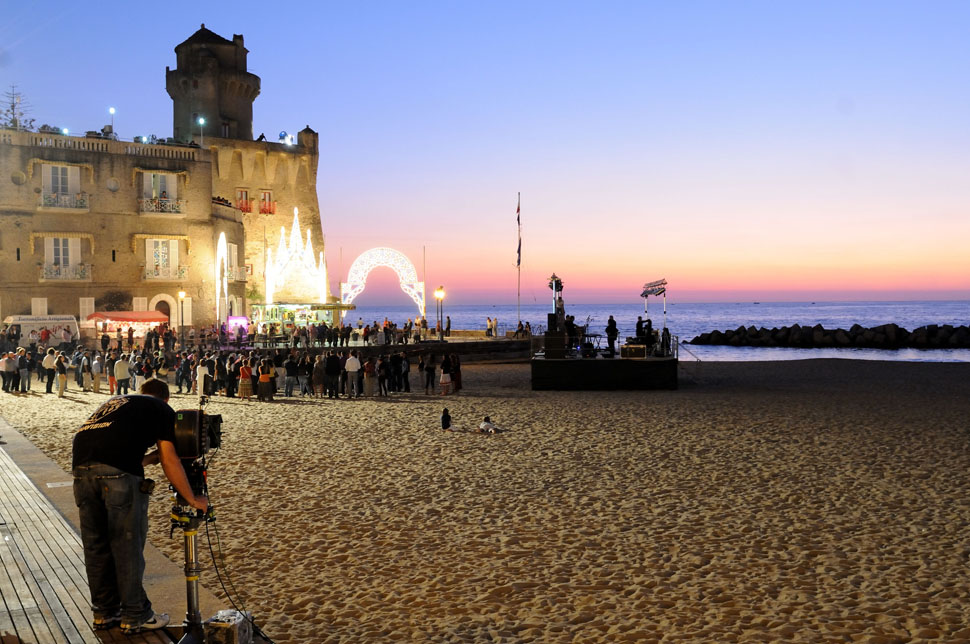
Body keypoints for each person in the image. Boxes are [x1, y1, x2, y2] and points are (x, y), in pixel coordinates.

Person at [72, 378, 208, 634]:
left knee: (96, 546)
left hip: (81, 471)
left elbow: (110, 455)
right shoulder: (161, 408)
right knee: (126, 545)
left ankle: (104, 612)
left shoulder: (117, 403)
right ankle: (136, 615)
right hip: (118, 477)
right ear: (165, 399)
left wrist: (146, 459)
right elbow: (169, 460)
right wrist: (192, 498)